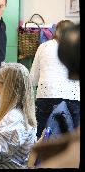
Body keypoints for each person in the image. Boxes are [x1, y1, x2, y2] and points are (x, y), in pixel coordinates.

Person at [31, 24, 80, 168]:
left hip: (46, 96)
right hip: (74, 99)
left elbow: (32, 79)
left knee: (41, 138)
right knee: (73, 143)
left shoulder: (44, 47)